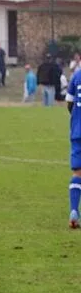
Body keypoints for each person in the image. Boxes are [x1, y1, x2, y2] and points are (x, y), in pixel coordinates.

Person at [66, 63, 81, 228]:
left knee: (78, 173)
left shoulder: (77, 75)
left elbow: (69, 102)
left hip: (77, 131)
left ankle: (74, 211)